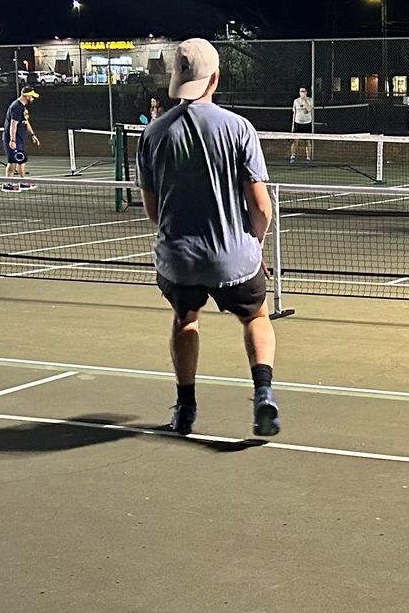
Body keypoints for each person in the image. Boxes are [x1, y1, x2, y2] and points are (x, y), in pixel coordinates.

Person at [135, 37, 279, 439]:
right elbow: (261, 208)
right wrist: (256, 245)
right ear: (215, 77)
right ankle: (263, 393)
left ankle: (185, 407)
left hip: (179, 260)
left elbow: (153, 211)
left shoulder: (153, 134)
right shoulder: (239, 128)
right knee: (256, 317)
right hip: (235, 259)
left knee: (185, 320)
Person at [3, 87, 40, 191]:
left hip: (19, 138)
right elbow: (13, 124)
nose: (33, 98)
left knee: (21, 160)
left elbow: (25, 122)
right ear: (26, 96)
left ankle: (22, 182)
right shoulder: (16, 107)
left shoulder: (23, 108)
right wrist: (12, 140)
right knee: (12, 161)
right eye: (32, 96)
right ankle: (7, 184)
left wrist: (32, 135)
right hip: (13, 139)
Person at [287, 86, 314, 164]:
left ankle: (308, 159)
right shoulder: (296, 101)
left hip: (307, 123)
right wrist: (292, 126)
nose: (301, 93)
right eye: (300, 91)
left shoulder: (310, 100)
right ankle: (292, 157)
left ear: (306, 92)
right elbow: (294, 113)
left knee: (307, 141)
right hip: (297, 123)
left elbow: (309, 110)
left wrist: (304, 101)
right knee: (295, 141)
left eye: (303, 91)